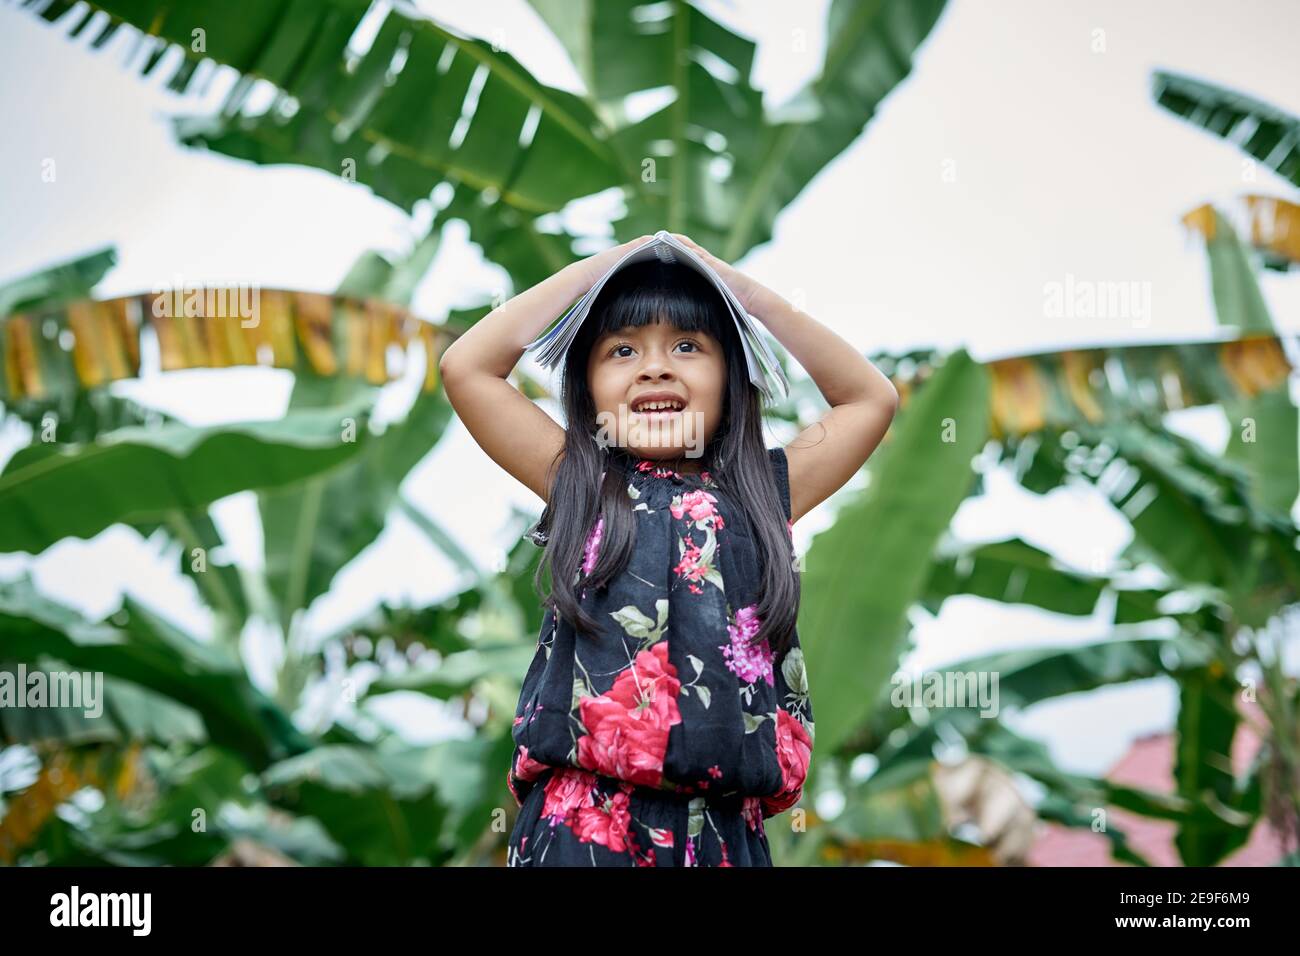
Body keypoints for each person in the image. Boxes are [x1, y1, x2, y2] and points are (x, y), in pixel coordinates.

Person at [439, 233, 898, 866]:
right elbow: (467, 367)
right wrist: (607, 266)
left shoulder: (762, 495)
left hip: (726, 836)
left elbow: (871, 398)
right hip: (583, 830)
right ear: (587, 387)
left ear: (731, 378)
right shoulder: (582, 484)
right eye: (622, 349)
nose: (655, 367)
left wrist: (737, 291)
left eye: (688, 345)